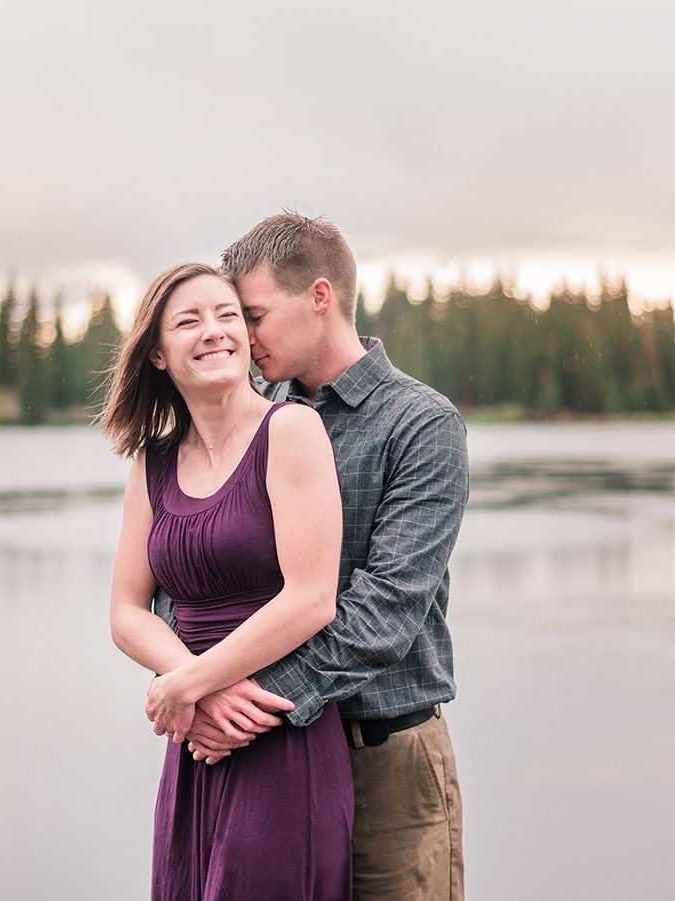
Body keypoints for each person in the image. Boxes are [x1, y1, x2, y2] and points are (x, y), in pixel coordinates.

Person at [177, 213, 470, 900]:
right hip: (268, 762)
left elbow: (385, 612)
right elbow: (191, 565)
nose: (239, 339)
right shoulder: (250, 420)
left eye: (252, 315)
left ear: (318, 297)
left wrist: (243, 700)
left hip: (385, 758)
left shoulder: (421, 425)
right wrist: (200, 684)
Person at [101, 262, 354, 900]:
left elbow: (312, 598)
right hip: (200, 743)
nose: (214, 331)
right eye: (189, 321)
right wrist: (198, 688)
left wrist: (188, 685)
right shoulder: (152, 463)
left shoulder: (291, 429)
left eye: (228, 315)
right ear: (157, 354)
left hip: (279, 733)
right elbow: (127, 612)